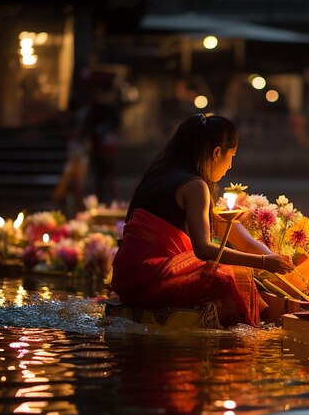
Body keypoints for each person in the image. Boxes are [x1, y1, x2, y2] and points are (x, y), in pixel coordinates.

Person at [110, 113, 294, 327]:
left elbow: (238, 237)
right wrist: (263, 263)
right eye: (231, 156)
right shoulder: (195, 186)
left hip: (125, 276)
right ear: (217, 152)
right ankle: (237, 345)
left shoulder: (159, 174)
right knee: (229, 276)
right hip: (148, 278)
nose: (230, 166)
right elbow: (204, 249)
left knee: (231, 270)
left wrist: (273, 258)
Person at [83, 86, 121, 204]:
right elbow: (88, 125)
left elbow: (116, 124)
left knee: (109, 173)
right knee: (99, 174)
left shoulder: (111, 109)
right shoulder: (94, 109)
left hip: (108, 146)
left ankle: (111, 198)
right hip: (97, 146)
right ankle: (100, 197)